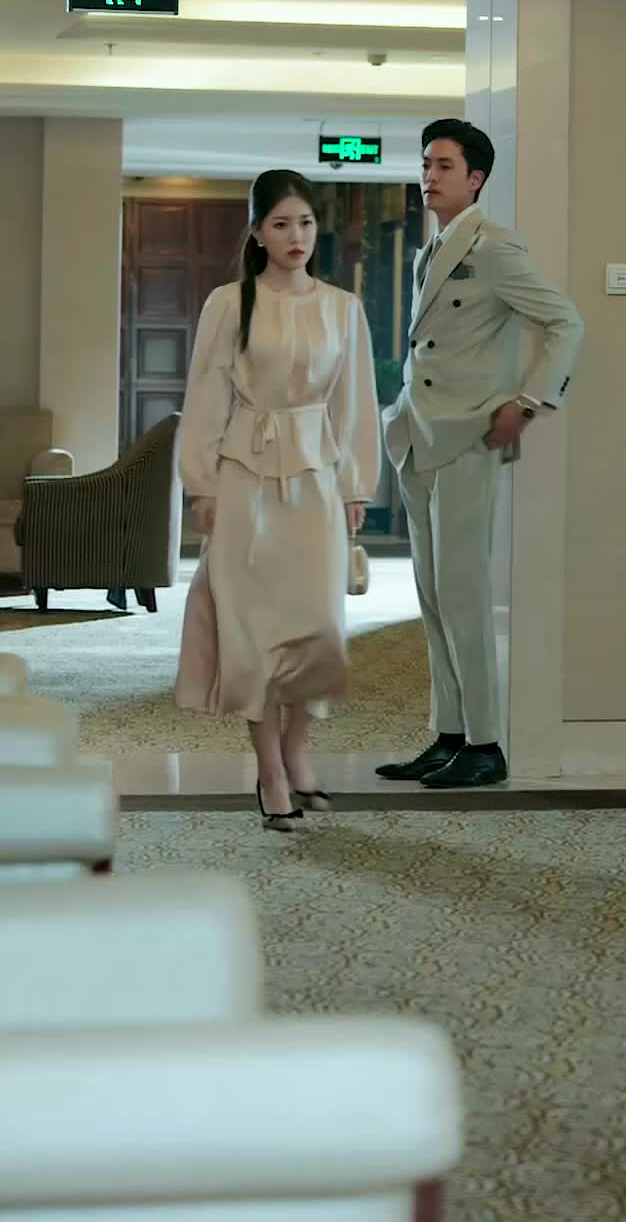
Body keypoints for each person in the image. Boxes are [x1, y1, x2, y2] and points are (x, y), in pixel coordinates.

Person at [381, 119, 583, 790]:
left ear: (475, 179)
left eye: (443, 165)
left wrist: (528, 402)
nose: (429, 175)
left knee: (464, 594)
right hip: (418, 435)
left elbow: (565, 321)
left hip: (468, 436)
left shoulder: (494, 248)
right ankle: (450, 734)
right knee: (432, 594)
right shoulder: (431, 249)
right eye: (425, 163)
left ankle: (486, 744)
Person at [176, 170, 380, 831]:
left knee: (319, 628)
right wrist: (202, 484)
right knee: (252, 631)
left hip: (317, 480)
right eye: (282, 224)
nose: (297, 236)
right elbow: (206, 395)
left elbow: (355, 401)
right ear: (258, 233)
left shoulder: (343, 308)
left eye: (307, 223)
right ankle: (270, 771)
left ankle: (297, 750)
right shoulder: (227, 304)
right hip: (244, 479)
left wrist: (355, 484)